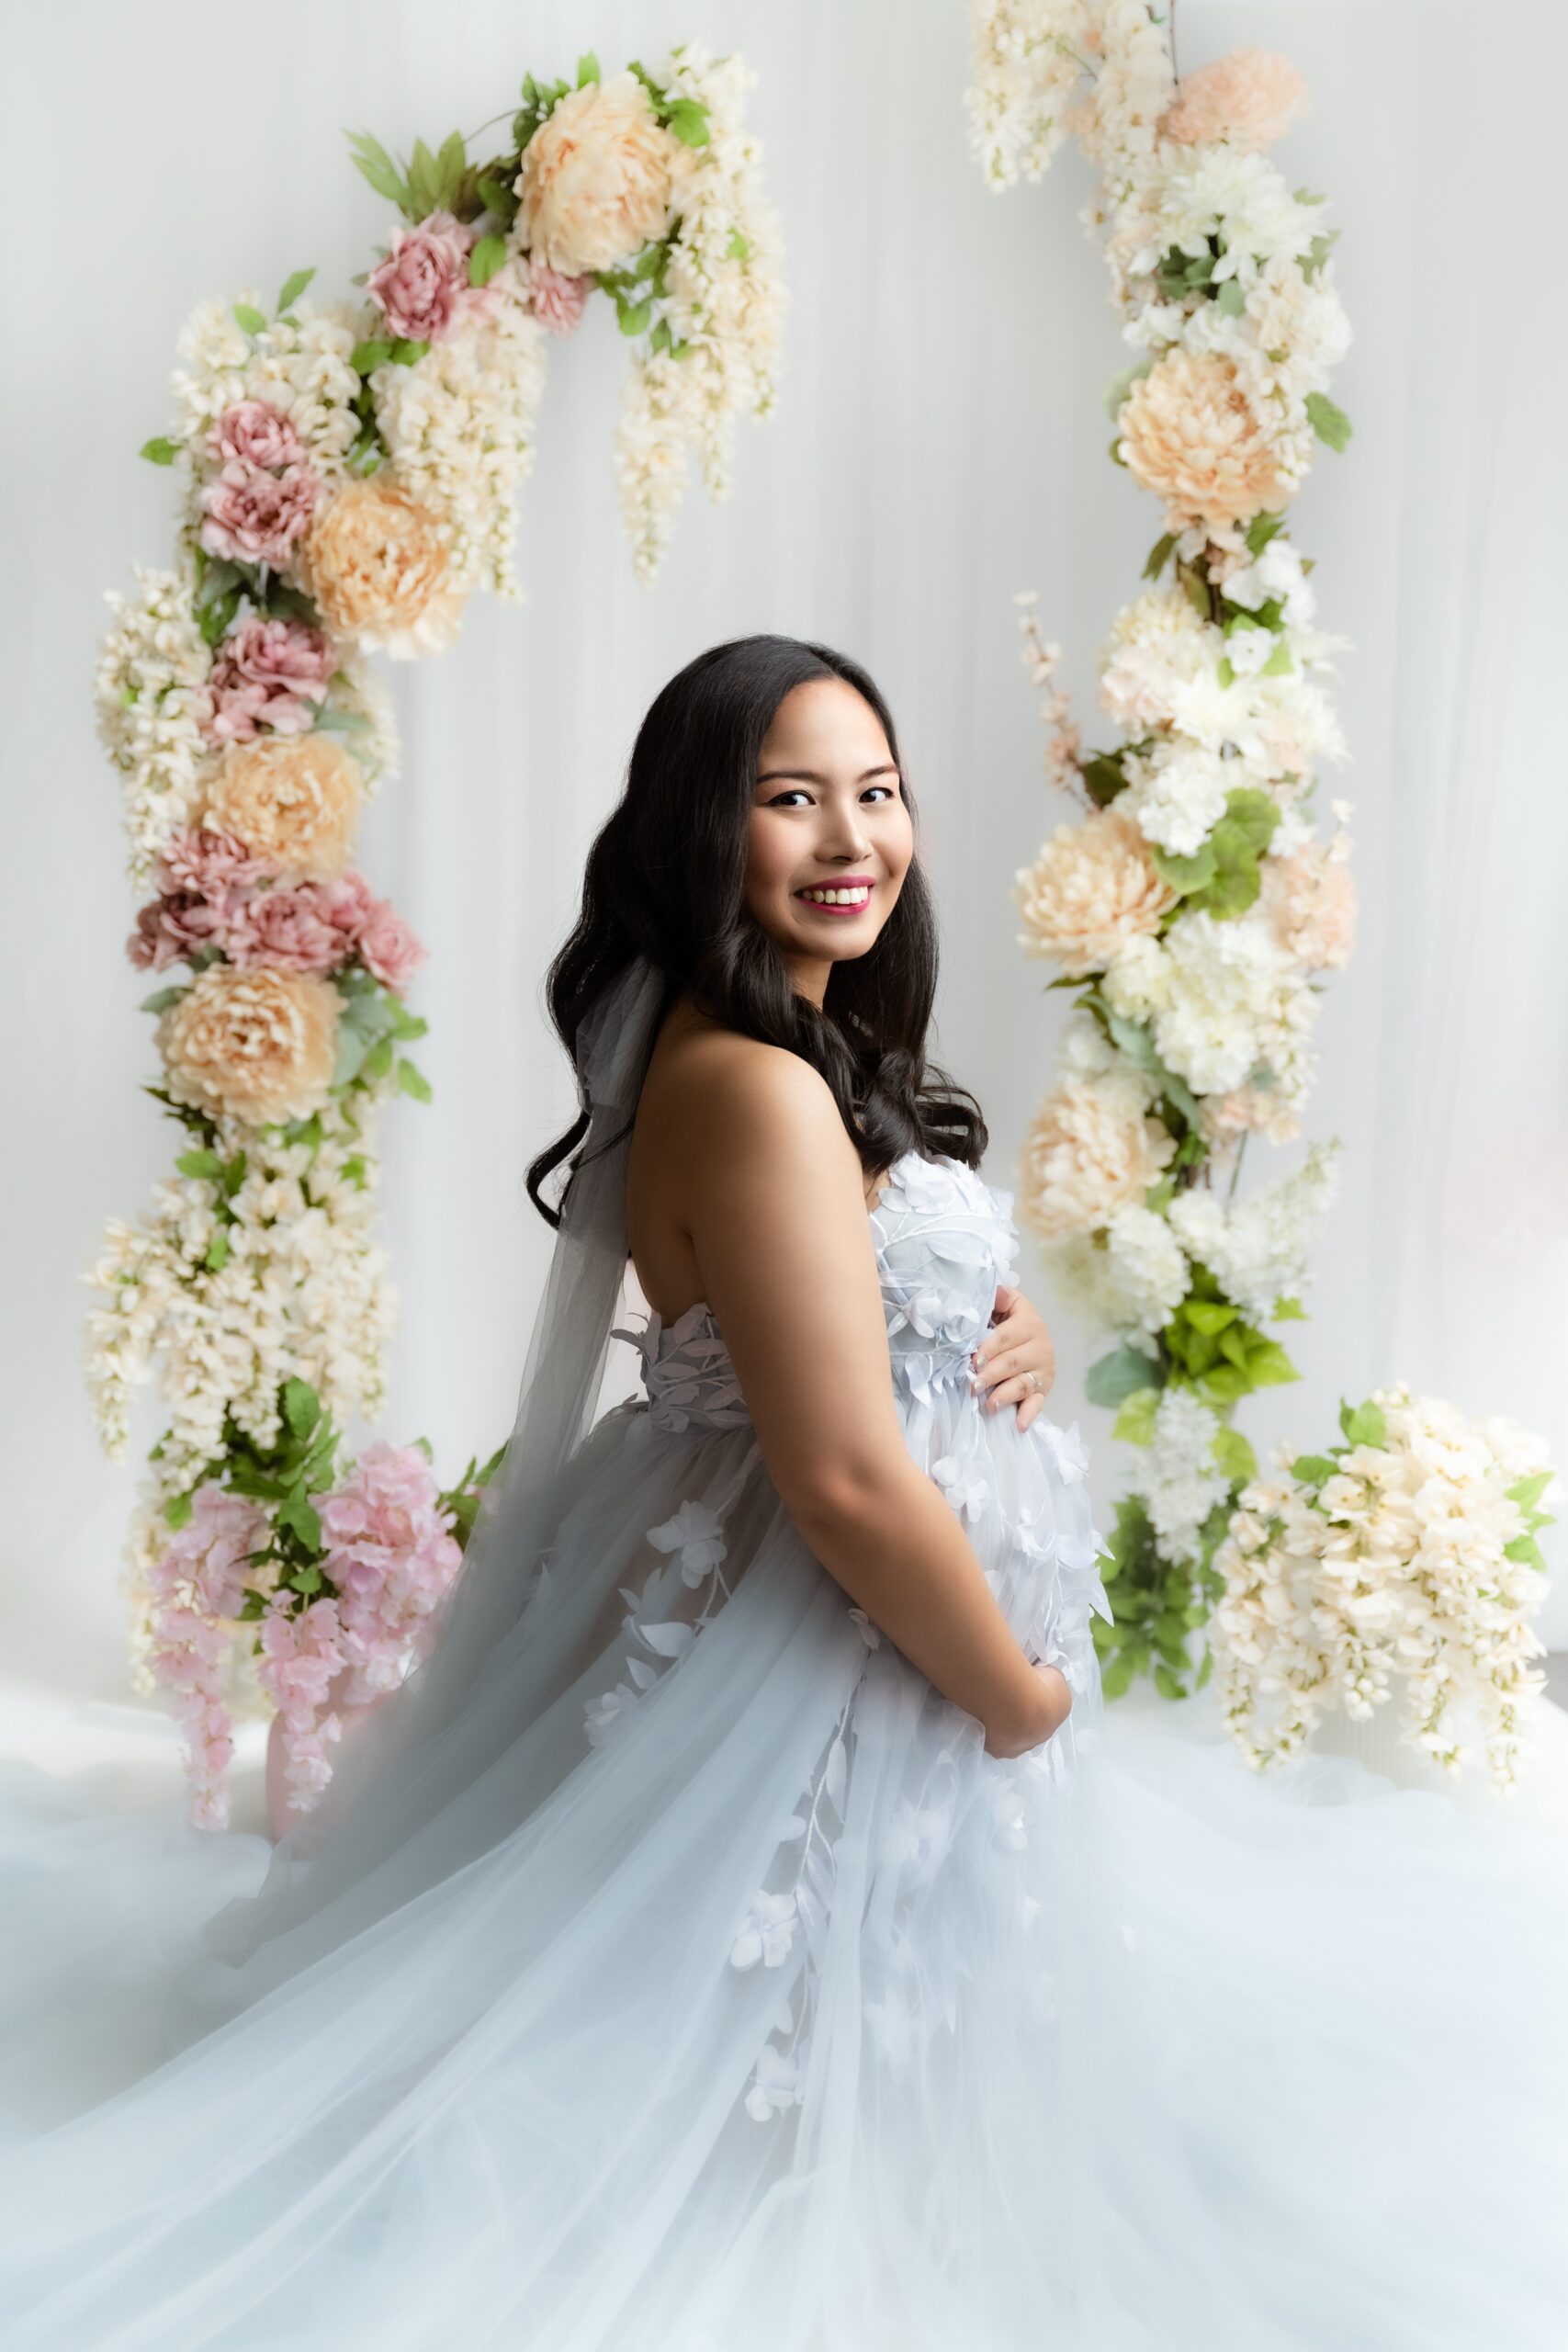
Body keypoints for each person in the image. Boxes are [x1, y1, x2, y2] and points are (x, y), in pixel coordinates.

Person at [2, 633, 1566, 2350]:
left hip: (866, 1665)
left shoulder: (795, 1057)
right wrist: (1019, 1697)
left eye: (879, 794)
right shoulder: (748, 1082)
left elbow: (840, 1297)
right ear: (701, 830)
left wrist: (992, 1310)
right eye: (791, 798)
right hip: (836, 1667)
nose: (853, 840)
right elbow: (834, 1476)